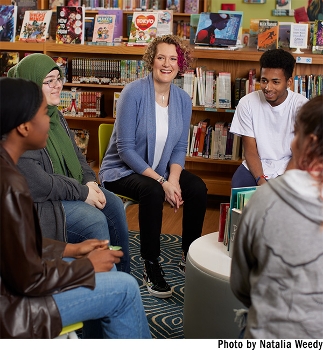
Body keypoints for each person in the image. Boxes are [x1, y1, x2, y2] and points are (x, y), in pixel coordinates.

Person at [0, 77, 151, 339]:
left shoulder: (8, 169)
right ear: (24, 127)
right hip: (15, 309)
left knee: (110, 268)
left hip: (16, 288)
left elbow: (16, 248)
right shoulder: (11, 183)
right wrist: (86, 266)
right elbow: (27, 280)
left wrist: (72, 249)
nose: (49, 120)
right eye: (42, 114)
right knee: (126, 288)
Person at [99, 35, 208, 299]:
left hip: (158, 170)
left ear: (180, 64)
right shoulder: (133, 92)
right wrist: (163, 183)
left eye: (173, 59)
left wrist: (173, 178)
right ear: (151, 60)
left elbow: (181, 148)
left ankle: (188, 255)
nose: (167, 64)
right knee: (153, 192)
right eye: (161, 57)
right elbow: (125, 149)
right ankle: (151, 264)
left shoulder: (182, 99)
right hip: (122, 171)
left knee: (197, 188)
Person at [7, 53, 130, 274]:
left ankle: (123, 275)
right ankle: (102, 289)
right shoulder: (20, 123)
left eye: (58, 78)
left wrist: (91, 183)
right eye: (48, 81)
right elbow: (38, 185)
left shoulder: (55, 115)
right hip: (41, 203)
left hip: (67, 190)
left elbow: (79, 156)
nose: (57, 86)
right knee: (94, 221)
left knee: (113, 204)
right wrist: (82, 192)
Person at [230, 95, 323, 338]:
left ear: (310, 143)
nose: (291, 144)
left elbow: (241, 285)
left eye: (296, 134)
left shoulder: (265, 200)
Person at [230, 49, 308, 188]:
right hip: (257, 164)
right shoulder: (247, 103)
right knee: (239, 186)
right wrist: (261, 180)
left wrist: (282, 183)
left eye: (275, 82)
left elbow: (300, 153)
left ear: (289, 82)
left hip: (291, 164)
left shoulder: (301, 106)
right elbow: (250, 151)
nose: (268, 87)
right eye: (264, 80)